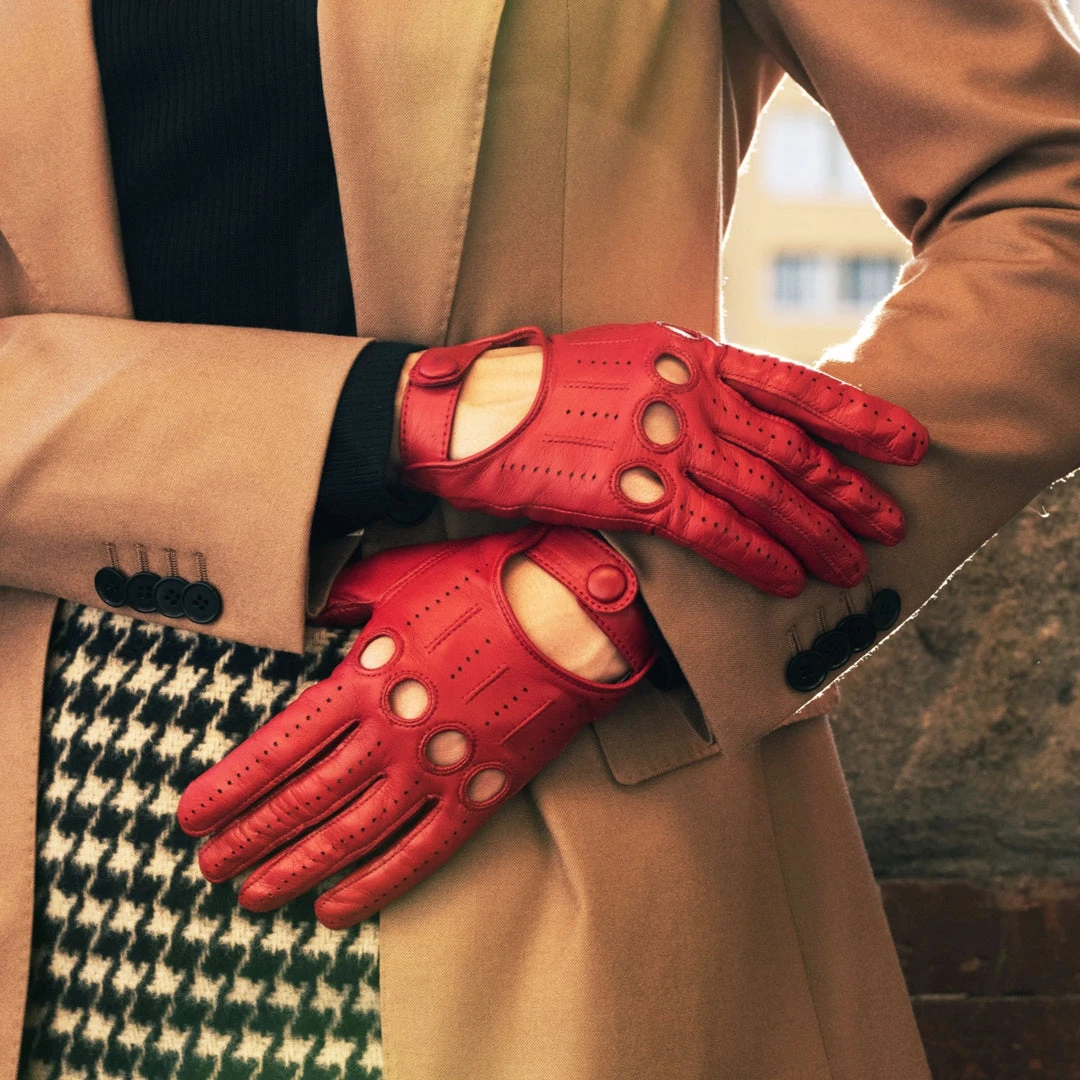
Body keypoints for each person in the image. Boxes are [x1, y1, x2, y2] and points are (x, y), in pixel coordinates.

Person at [3, 1, 1080, 1078]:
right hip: (41, 833)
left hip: (560, 792)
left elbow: (1052, 206)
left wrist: (636, 594)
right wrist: (413, 412)